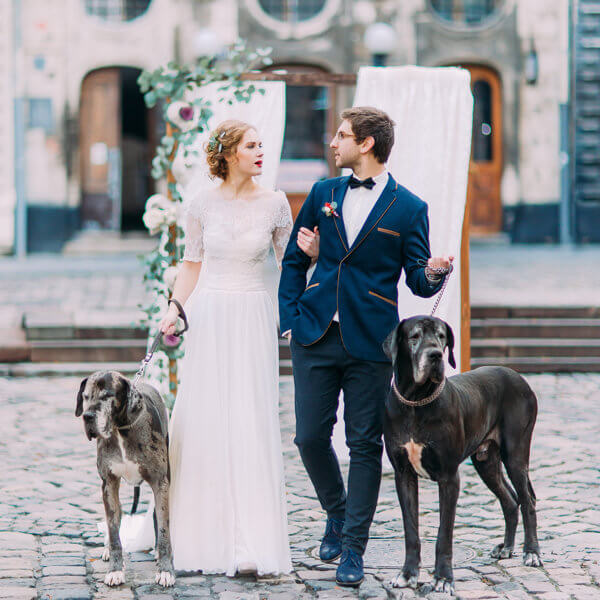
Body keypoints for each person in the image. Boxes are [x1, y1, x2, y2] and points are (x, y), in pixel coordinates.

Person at [278, 107, 453, 587]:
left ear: (368, 144)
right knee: (309, 437)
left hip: (373, 343)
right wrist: (290, 315)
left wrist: (434, 270)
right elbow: (295, 259)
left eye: (342, 135)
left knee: (363, 445)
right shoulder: (323, 193)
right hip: (314, 333)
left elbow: (416, 281)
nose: (333, 143)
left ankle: (353, 547)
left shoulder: (409, 207)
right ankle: (337, 514)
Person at [157, 119, 314, 576]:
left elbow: (291, 265)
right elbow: (191, 265)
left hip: (251, 317)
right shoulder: (202, 203)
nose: (261, 152)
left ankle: (249, 538)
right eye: (251, 146)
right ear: (228, 154)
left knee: (248, 418)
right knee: (206, 417)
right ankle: (195, 533)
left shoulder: (276, 203)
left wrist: (314, 257)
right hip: (210, 316)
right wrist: (174, 307)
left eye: (262, 145)